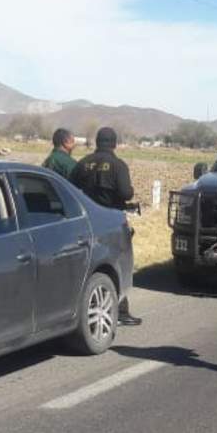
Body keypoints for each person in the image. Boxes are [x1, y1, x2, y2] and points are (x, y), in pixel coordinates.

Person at [71, 126, 142, 326]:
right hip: (111, 220)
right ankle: (120, 311)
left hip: (87, 220)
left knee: (92, 263)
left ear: (97, 142)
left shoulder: (82, 164)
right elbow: (126, 193)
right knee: (117, 262)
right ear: (114, 144)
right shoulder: (118, 165)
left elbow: (70, 188)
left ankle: (91, 307)